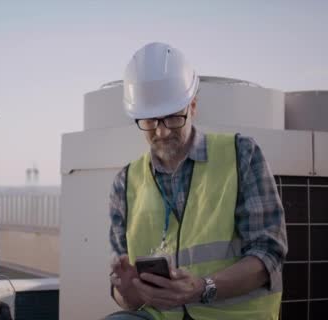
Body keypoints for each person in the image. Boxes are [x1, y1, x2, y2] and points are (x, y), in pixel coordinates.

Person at [105, 42, 288, 320]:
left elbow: (268, 255)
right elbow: (125, 300)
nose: (162, 132)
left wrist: (202, 288)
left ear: (193, 106)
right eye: (150, 122)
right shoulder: (125, 182)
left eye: (172, 118)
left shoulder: (241, 156)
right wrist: (127, 290)